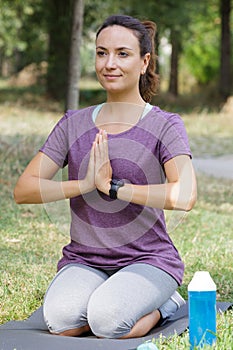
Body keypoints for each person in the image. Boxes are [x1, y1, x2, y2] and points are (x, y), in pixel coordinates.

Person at [14, 14, 197, 339]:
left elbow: (185, 195)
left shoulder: (165, 125)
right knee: (62, 323)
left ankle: (165, 303)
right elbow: (24, 189)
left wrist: (116, 188)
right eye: (101, 53)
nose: (109, 63)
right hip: (85, 259)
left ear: (144, 62)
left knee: (109, 323)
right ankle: (112, 295)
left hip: (147, 258)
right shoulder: (74, 123)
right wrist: (85, 185)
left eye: (122, 54)